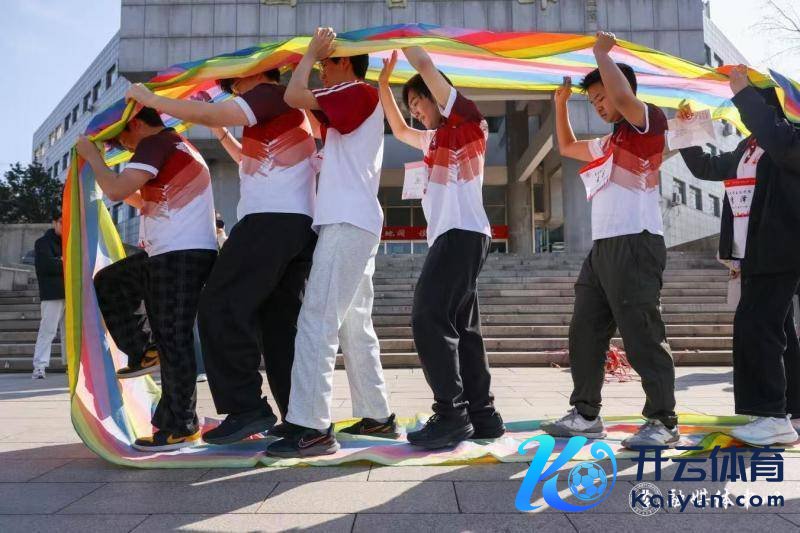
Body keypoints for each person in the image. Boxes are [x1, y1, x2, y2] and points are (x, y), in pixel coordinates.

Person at [126, 67, 319, 445]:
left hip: (269, 221)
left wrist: (152, 100)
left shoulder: (270, 94)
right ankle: (302, 419)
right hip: (296, 225)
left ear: (258, 75)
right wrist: (223, 135)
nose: (235, 91)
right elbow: (249, 160)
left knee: (218, 305)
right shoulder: (284, 111)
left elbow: (210, 112)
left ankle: (247, 408)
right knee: (278, 327)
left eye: (236, 85)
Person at [540, 32, 679, 449]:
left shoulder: (647, 122)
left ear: (623, 90)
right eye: (594, 100)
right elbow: (566, 146)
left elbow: (622, 98)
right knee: (584, 330)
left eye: (603, 96)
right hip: (602, 248)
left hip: (636, 242)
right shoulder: (606, 142)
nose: (600, 105)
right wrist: (561, 105)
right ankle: (585, 414)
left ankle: (663, 421)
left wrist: (602, 54)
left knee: (641, 333)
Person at [265, 27, 396, 458]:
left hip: (347, 222)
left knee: (317, 319)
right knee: (353, 324)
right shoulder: (353, 101)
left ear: (345, 63)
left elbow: (293, 96)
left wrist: (307, 55)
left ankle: (312, 427)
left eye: (326, 62)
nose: (320, 69)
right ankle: (376, 415)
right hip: (355, 221)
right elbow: (306, 105)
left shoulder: (355, 91)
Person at [377, 49, 505, 449]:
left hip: (460, 233)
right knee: (463, 329)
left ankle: (451, 415)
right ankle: (482, 415)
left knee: (427, 316)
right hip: (457, 237)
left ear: (438, 96)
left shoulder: (469, 123)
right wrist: (382, 85)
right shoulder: (432, 140)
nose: (415, 111)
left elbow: (427, 68)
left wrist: (409, 44)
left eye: (418, 102)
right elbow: (400, 131)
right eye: (411, 106)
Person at [76, 106, 217, 451]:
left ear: (136, 124)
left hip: (178, 252)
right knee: (113, 282)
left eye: (121, 139)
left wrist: (94, 158)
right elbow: (138, 197)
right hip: (172, 251)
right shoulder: (176, 144)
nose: (123, 147)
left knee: (173, 338)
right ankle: (147, 350)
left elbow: (115, 191)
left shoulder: (156, 143)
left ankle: (181, 426)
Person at [678, 65, 800, 445]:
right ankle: (791, 410)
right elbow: (707, 167)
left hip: (781, 248)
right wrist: (688, 131)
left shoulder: (789, 139)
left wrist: (744, 91)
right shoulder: (749, 148)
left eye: (757, 103)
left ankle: (771, 416)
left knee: (757, 327)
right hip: (750, 252)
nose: (745, 110)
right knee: (776, 330)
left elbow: (780, 141)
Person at [31, 212, 66, 379]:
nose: (64, 225)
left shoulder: (70, 241)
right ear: (54, 223)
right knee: (48, 331)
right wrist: (65, 262)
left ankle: (70, 365)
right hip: (52, 294)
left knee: (70, 332)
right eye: (61, 222)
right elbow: (47, 266)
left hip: (71, 294)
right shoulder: (42, 243)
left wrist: (61, 261)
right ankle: (39, 366)